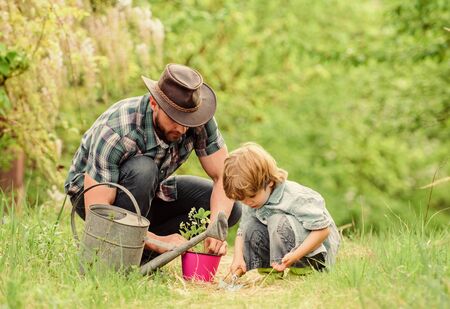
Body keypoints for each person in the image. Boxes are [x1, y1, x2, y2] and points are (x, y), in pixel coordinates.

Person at [64, 63, 241, 260]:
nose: (182, 129)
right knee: (143, 170)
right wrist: (159, 242)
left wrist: (215, 228)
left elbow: (224, 177)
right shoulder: (117, 131)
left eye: (187, 121)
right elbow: (97, 212)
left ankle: (143, 252)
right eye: (174, 119)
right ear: (154, 103)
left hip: (148, 191)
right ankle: (121, 254)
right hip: (98, 200)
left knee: (229, 212)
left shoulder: (198, 120)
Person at [223, 143, 340, 276]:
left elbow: (323, 230)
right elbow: (242, 230)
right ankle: (271, 270)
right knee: (251, 224)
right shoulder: (251, 200)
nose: (247, 202)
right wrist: (238, 258)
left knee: (276, 220)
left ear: (269, 182)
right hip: (290, 252)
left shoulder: (295, 198)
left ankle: (303, 270)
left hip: (314, 255)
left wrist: (296, 255)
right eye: (242, 199)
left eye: (251, 196)